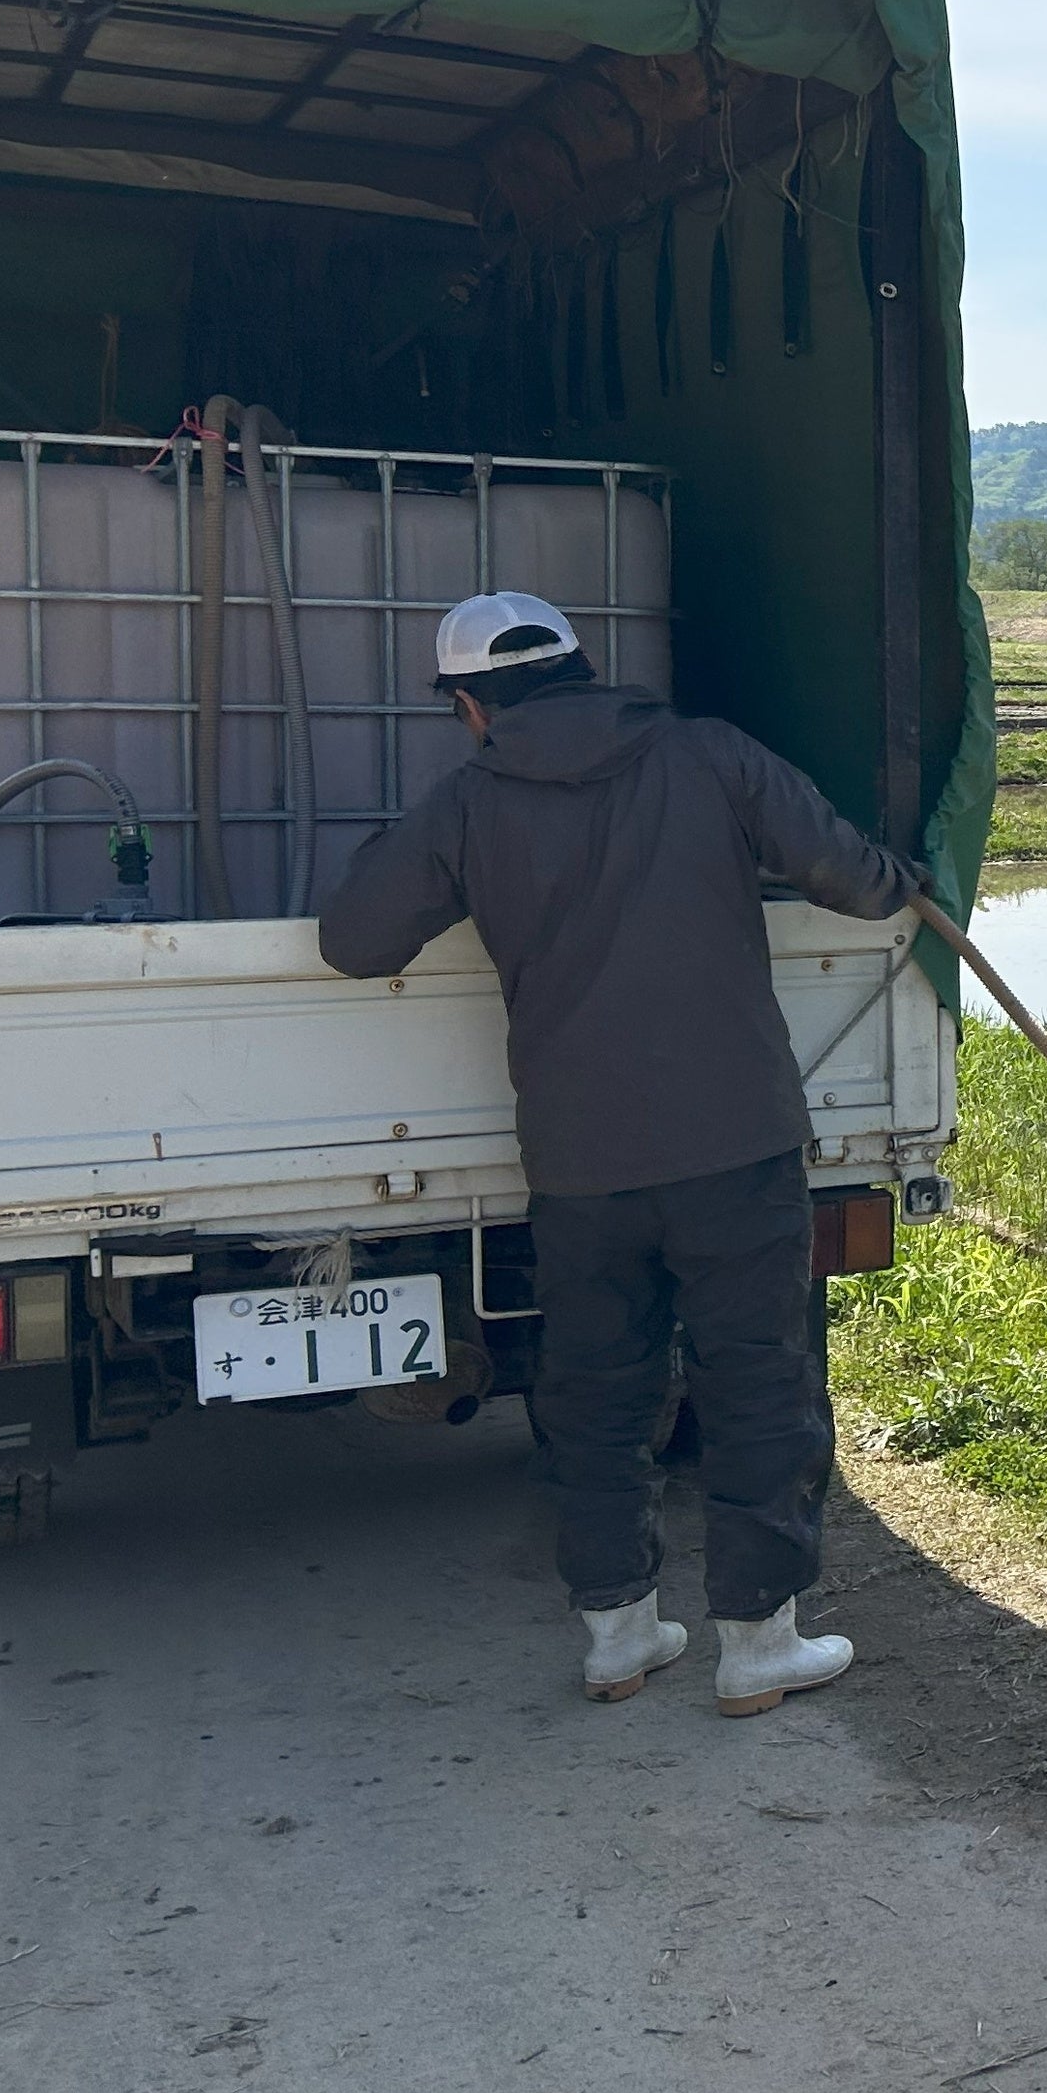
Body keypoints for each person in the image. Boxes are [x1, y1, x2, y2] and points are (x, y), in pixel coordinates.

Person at [319, 590, 917, 1714]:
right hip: (733, 1139)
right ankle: (757, 1645)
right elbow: (845, 874)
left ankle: (618, 1637)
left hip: (579, 1157)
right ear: (588, 670)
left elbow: (353, 942)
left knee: (594, 1393)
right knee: (757, 1379)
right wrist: (906, 885)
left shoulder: (466, 804)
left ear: (470, 708)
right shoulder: (709, 756)